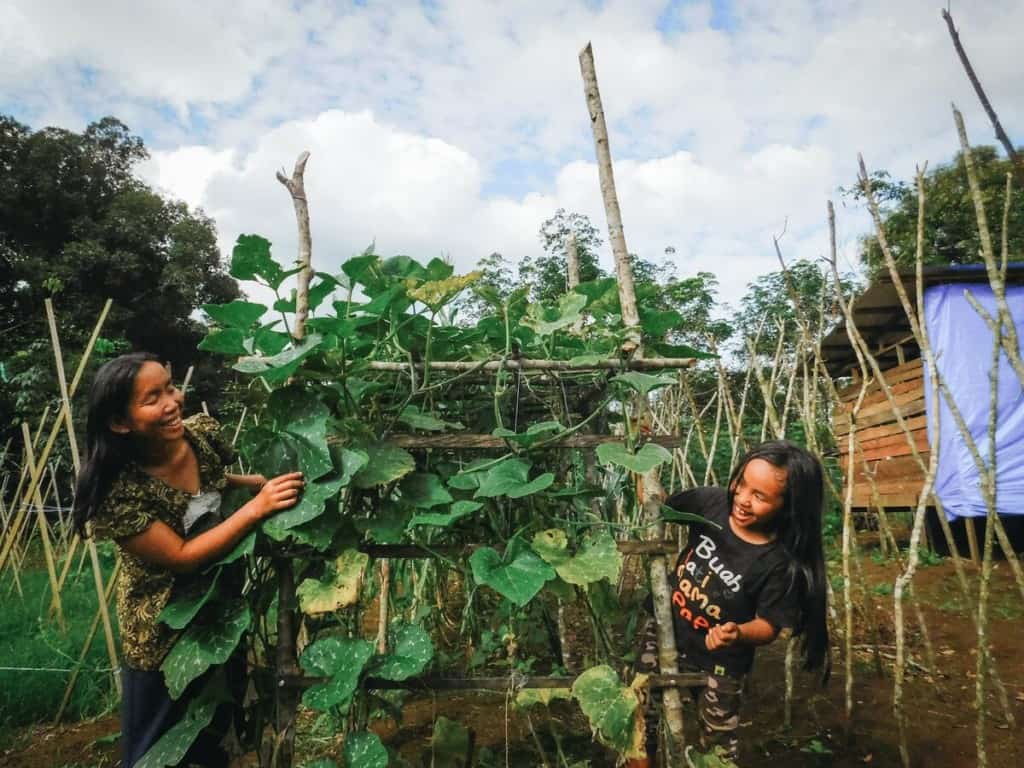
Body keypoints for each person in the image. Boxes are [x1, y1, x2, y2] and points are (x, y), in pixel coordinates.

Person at [72, 352, 304, 767]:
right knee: (154, 748)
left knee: (213, 734)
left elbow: (214, 477)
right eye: (152, 398)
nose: (172, 401)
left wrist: (256, 484)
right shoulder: (117, 493)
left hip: (218, 611)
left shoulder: (198, 435)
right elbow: (180, 557)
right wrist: (257, 508)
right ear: (120, 422)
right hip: (163, 630)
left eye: (170, 387)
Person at [631, 441, 830, 767]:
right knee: (639, 717)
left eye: (760, 496)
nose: (742, 499)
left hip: (720, 662)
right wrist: (639, 457)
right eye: (741, 484)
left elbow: (768, 625)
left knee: (717, 741)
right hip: (666, 628)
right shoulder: (710, 504)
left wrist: (737, 632)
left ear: (789, 506)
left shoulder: (779, 563)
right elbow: (657, 505)